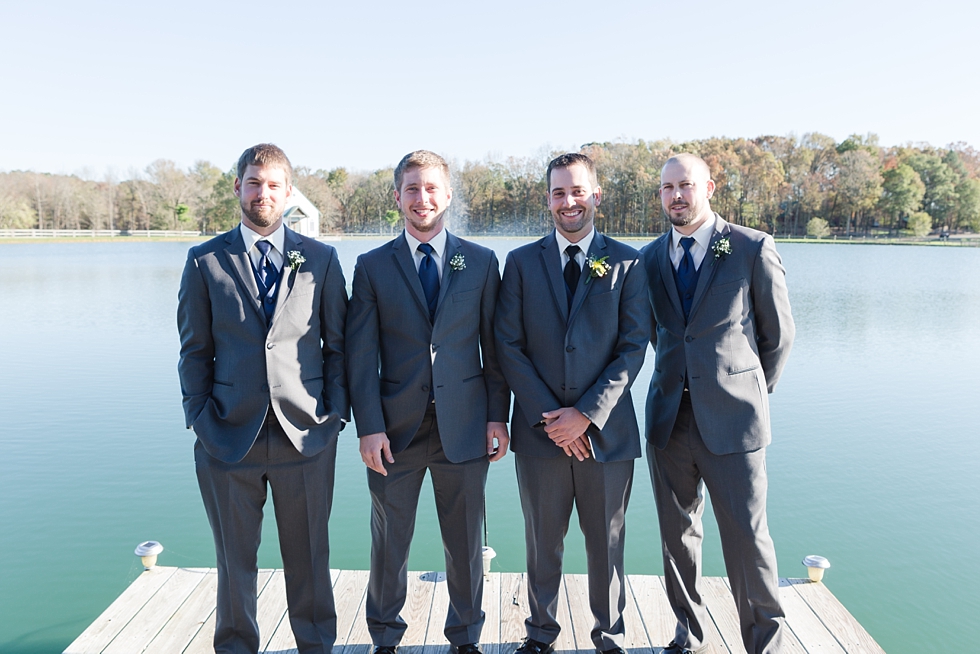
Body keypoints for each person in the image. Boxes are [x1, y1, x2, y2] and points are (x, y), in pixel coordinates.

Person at [177, 143, 349, 654]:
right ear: (238, 188)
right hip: (228, 436)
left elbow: (338, 346)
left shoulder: (321, 258)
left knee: (311, 560)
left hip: (307, 434)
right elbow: (193, 351)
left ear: (289, 192)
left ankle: (315, 645)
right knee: (234, 561)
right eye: (254, 182)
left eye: (274, 184)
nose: (263, 193)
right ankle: (235, 646)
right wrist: (199, 418)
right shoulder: (204, 261)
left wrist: (334, 416)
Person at [346, 150, 510, 654]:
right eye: (412, 189)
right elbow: (360, 355)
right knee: (389, 543)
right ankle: (385, 639)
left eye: (432, 188)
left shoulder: (482, 262)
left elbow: (496, 348)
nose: (423, 199)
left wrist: (496, 417)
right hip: (395, 430)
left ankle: (466, 639)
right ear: (397, 197)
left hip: (464, 426)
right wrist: (368, 426)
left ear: (448, 195)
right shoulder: (371, 267)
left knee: (464, 544)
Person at [494, 153, 650, 654]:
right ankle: (539, 636)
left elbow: (633, 346)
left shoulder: (629, 262)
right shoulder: (519, 263)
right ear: (548, 200)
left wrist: (584, 415)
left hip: (607, 434)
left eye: (578, 191)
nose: (569, 202)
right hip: (540, 436)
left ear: (596, 196)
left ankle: (608, 637)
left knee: (606, 544)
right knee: (543, 543)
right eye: (559, 193)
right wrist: (553, 419)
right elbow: (508, 347)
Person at [641, 153, 795, 654]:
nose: (677, 196)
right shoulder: (648, 259)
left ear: (709, 186)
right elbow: (655, 335)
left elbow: (778, 336)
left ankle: (764, 643)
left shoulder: (752, 248)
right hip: (669, 422)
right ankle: (689, 634)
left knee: (748, 540)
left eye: (686, 185)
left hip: (735, 423)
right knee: (677, 538)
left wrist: (745, 390)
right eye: (667, 188)